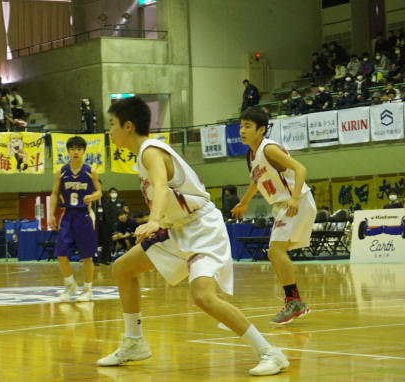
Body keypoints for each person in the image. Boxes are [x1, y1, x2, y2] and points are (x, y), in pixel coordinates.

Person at [100, 97, 287, 375]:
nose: (110, 131)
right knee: (123, 268)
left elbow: (161, 186)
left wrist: (153, 220)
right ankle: (134, 342)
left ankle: (270, 352)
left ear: (128, 126)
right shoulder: (145, 153)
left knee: (203, 297)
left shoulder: (150, 151)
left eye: (112, 124)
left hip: (201, 227)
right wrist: (160, 222)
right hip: (178, 228)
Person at [232, 106, 315, 325]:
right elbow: (257, 179)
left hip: (296, 201)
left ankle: (294, 302)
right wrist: (245, 200)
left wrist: (295, 198)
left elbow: (300, 169)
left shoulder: (268, 148)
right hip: (284, 204)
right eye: (240, 126)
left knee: (275, 251)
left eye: (247, 126)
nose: (242, 131)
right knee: (276, 253)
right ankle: (294, 301)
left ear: (261, 130)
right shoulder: (252, 154)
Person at [49, 136, 102, 303]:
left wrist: (93, 196)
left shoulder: (90, 171)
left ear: (83, 151)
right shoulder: (61, 171)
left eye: (79, 149)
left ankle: (88, 290)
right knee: (61, 254)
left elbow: (99, 191)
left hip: (84, 215)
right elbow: (55, 193)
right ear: (68, 151)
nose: (76, 152)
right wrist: (51, 214)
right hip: (67, 215)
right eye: (73, 149)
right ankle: (70, 284)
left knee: (87, 256)